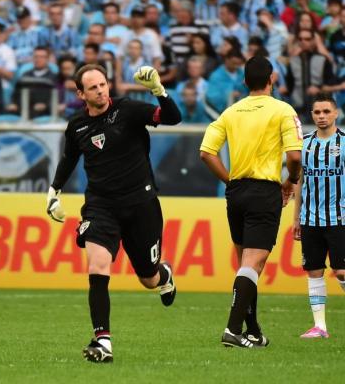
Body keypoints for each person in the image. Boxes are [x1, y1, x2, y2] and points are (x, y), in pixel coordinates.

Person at [46, 64, 181, 362]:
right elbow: (70, 158)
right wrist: (53, 191)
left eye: (103, 84)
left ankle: (164, 275)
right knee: (97, 267)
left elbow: (173, 118)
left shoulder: (129, 110)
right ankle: (103, 341)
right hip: (100, 206)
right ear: (81, 93)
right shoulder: (77, 125)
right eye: (93, 87)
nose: (101, 91)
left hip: (141, 204)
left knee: (148, 278)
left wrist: (159, 90)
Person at [200, 55, 302, 348]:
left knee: (246, 264)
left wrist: (230, 181)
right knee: (252, 265)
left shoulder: (230, 112)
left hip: (236, 194)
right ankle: (232, 330)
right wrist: (292, 181)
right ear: (272, 79)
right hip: (264, 192)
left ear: (244, 82)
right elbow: (295, 156)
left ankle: (253, 330)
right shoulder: (283, 110)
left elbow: (206, 152)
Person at [293, 92, 345, 339]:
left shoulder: (344, 142)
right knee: (314, 270)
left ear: (336, 113)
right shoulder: (304, 143)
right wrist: (296, 218)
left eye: (326, 111)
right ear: (311, 115)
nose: (322, 116)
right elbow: (298, 183)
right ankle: (320, 326)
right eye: (317, 112)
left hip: (340, 218)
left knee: (342, 271)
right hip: (310, 218)